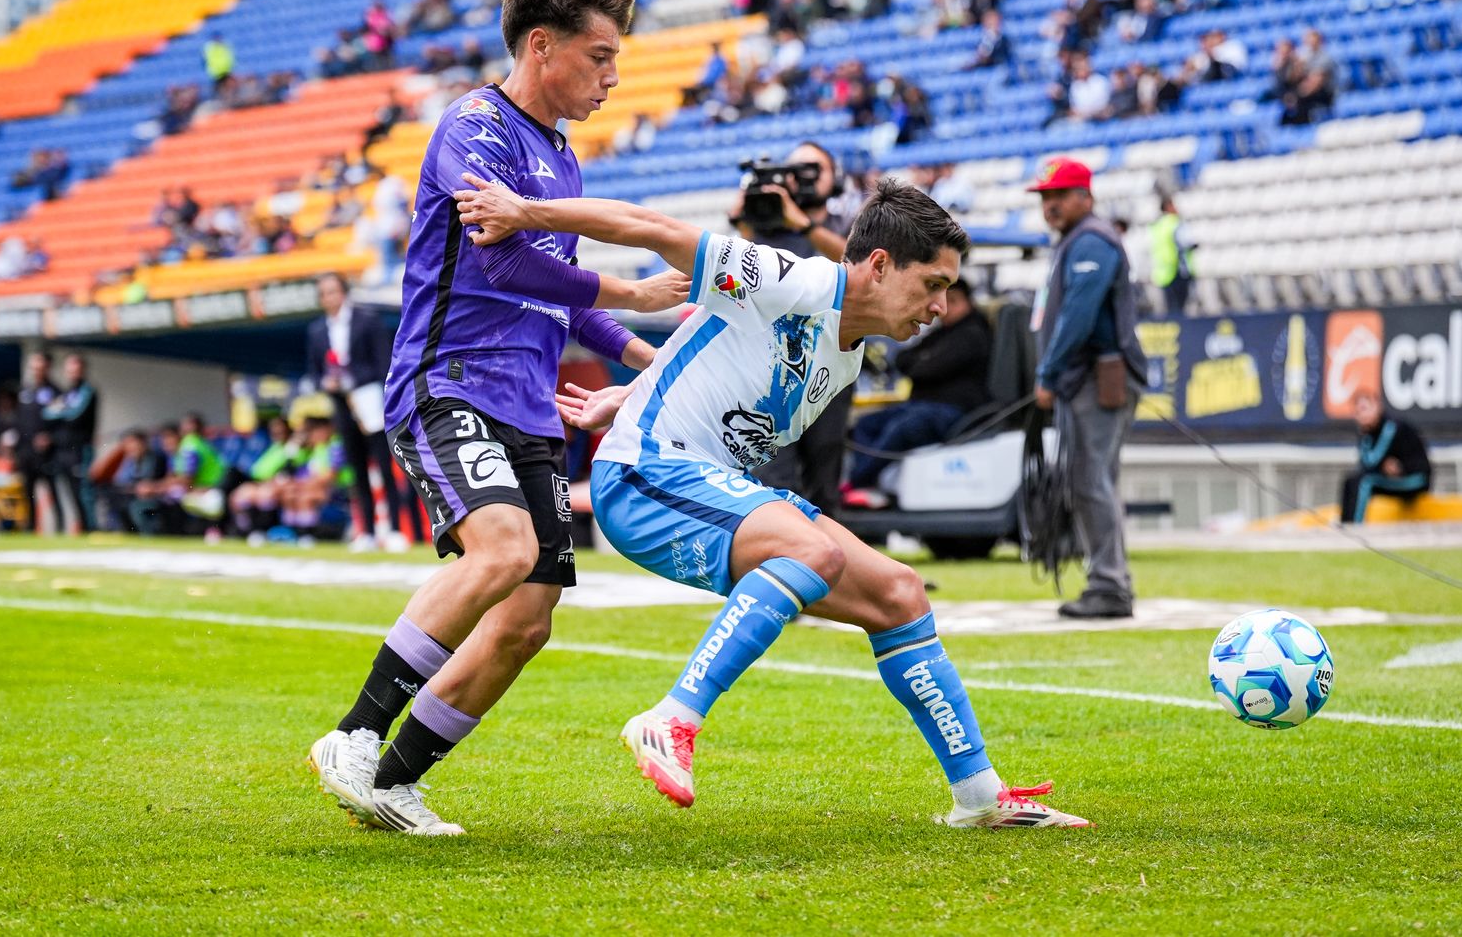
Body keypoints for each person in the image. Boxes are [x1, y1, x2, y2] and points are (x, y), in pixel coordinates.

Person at [456, 175, 1089, 828]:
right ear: (878, 265)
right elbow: (652, 227)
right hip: (646, 477)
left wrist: (635, 393)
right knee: (811, 552)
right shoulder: (796, 280)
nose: (940, 305)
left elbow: (719, 350)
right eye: (933, 283)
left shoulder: (849, 357)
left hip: (704, 483)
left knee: (899, 594)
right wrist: (525, 212)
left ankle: (979, 796)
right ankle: (671, 718)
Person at [305, 0, 687, 837]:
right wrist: (632, 293)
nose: (613, 77)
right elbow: (504, 260)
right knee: (504, 548)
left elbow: (561, 294)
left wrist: (647, 356)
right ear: (541, 45)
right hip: (448, 383)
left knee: (528, 619)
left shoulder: (561, 157)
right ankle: (354, 735)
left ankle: (393, 783)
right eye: (599, 57)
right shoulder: (474, 127)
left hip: (527, 404)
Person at [1029, 158, 1148, 621]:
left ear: (1086, 197)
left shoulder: (1091, 241)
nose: (1051, 205)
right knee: (1095, 480)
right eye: (1045, 197)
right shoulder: (1076, 241)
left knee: (1088, 480)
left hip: (1098, 379)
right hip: (1088, 379)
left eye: (1059, 195)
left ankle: (1109, 586)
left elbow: (1077, 317)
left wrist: (1048, 374)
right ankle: (1111, 581)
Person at [726, 141, 855, 516]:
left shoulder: (848, 222)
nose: (803, 177)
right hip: (769, 369)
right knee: (772, 477)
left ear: (836, 178)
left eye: (814, 169)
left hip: (828, 367)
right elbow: (736, 276)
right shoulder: (765, 226)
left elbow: (857, 268)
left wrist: (804, 223)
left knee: (824, 474)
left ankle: (829, 550)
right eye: (794, 169)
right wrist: (744, 215)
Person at [844, 280, 993, 495]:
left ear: (969, 302)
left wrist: (922, 362)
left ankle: (857, 483)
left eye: (954, 301)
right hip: (921, 404)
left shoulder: (973, 334)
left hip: (954, 410)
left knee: (903, 427)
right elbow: (904, 359)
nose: (946, 308)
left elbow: (927, 368)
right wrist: (923, 361)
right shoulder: (941, 333)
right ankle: (869, 486)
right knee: (866, 424)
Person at [306, 272, 408, 552]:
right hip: (342, 406)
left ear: (344, 292)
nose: (329, 298)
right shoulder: (317, 330)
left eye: (333, 291)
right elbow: (314, 372)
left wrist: (354, 380)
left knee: (385, 467)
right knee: (357, 470)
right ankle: (367, 533)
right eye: (323, 293)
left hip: (370, 401)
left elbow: (383, 362)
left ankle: (395, 531)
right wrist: (327, 382)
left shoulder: (367, 320)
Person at [1340, 390, 1432, 523]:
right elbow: (1367, 464)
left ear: (1377, 407)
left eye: (1365, 409)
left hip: (1416, 479)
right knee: (1350, 481)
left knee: (1365, 482)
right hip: (1392, 479)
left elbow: (1371, 462)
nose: (1362, 415)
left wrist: (1395, 467)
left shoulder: (1390, 427)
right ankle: (1345, 524)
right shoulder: (1368, 432)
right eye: (1358, 412)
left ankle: (1355, 526)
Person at [42, 353, 98, 533]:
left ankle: (90, 529)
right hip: (62, 451)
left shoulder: (88, 391)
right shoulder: (67, 393)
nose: (73, 372)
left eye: (76, 369)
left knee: (82, 492)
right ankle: (66, 528)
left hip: (79, 451)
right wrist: (60, 410)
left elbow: (75, 415)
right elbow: (46, 414)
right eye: (69, 369)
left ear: (83, 370)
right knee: (64, 491)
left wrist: (60, 410)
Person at [13, 351, 58, 531]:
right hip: (26, 452)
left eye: (40, 365)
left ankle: (60, 526)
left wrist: (50, 436)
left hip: (46, 454)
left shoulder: (55, 391)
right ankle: (30, 528)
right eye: (34, 366)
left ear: (47, 367)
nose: (36, 369)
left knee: (52, 491)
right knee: (28, 493)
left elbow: (61, 420)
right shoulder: (26, 391)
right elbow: (20, 419)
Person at [1148, 194, 1196, 316]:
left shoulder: (1156, 225)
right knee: (1180, 309)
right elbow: (1187, 243)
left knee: (1170, 309)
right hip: (1177, 271)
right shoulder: (1175, 223)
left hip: (1162, 273)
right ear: (1168, 207)